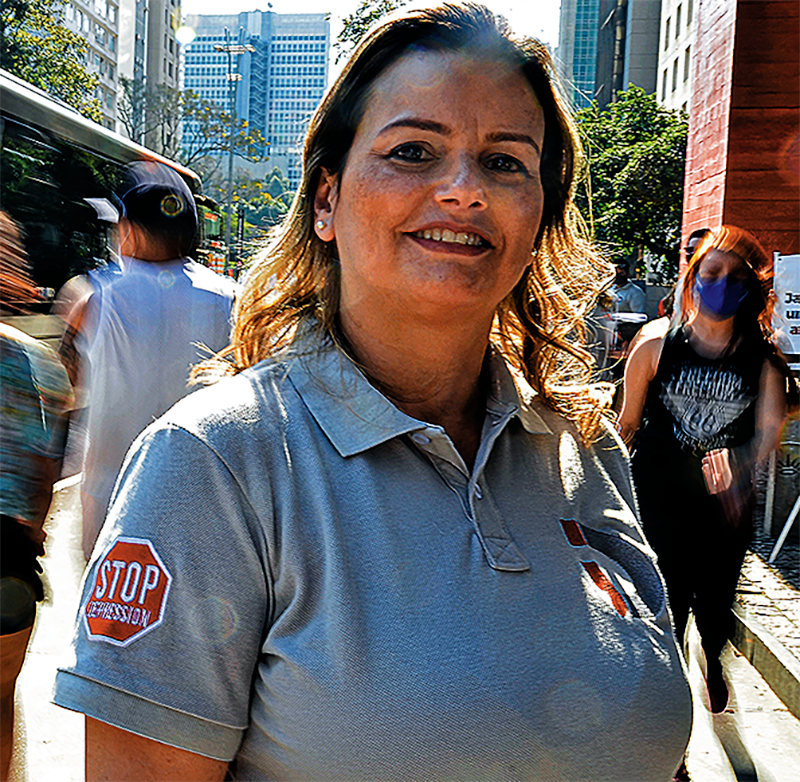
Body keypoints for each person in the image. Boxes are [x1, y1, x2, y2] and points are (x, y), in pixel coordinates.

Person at [54, 5, 692, 780]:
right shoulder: (213, 467)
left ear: (539, 217)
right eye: (414, 151)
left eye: (505, 163)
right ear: (326, 200)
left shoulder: (586, 450)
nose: (464, 191)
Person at [619, 225, 790, 715]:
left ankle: (712, 658)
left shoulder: (764, 364)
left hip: (724, 506)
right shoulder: (655, 347)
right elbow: (626, 425)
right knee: (664, 603)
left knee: (715, 605)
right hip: (659, 499)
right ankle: (669, 721)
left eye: (735, 275)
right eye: (711, 271)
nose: (721, 283)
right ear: (693, 279)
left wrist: (738, 463)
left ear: (751, 287)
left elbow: (768, 436)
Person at [57, 162, 239, 559]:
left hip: (110, 503)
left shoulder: (94, 298)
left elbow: (60, 393)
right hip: (202, 502)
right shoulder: (232, 302)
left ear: (131, 233)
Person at [0, 211, 72, 780]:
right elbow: (44, 471)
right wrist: (33, 532)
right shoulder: (35, 360)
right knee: (0, 704)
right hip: (5, 558)